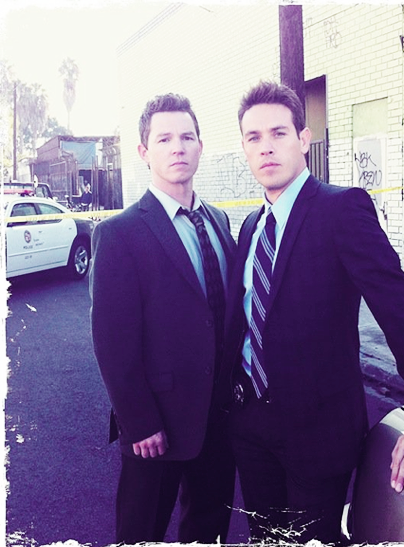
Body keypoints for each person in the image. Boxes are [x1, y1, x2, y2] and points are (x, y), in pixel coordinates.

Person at [220, 81, 404, 544]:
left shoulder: (341, 209)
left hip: (317, 433)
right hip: (251, 429)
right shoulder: (251, 226)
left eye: (278, 133)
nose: (266, 147)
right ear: (245, 148)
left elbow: (399, 306)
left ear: (303, 139)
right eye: (254, 137)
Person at [90, 93, 236, 544]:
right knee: (142, 531)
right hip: (157, 427)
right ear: (144, 151)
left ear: (200, 146)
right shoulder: (119, 234)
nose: (178, 148)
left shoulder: (219, 221)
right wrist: (139, 421)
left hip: (218, 418)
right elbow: (113, 342)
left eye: (187, 137)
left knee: (209, 528)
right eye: (165, 139)